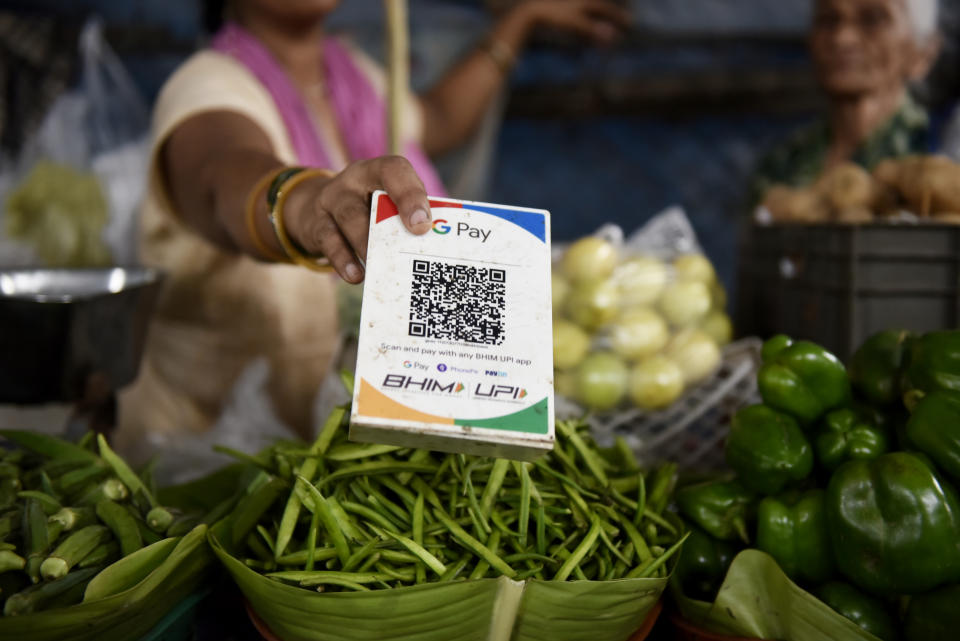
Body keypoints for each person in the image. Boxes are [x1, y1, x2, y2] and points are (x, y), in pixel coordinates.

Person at [114, 0, 630, 462]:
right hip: (202, 460)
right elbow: (223, 178)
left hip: (319, 451)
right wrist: (309, 203)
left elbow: (440, 119)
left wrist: (521, 19)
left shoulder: (352, 76)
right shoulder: (206, 86)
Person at [749, 0, 940, 206]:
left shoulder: (938, 150)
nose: (842, 39)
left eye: (873, 20)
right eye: (828, 20)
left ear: (924, 51)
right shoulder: (782, 165)